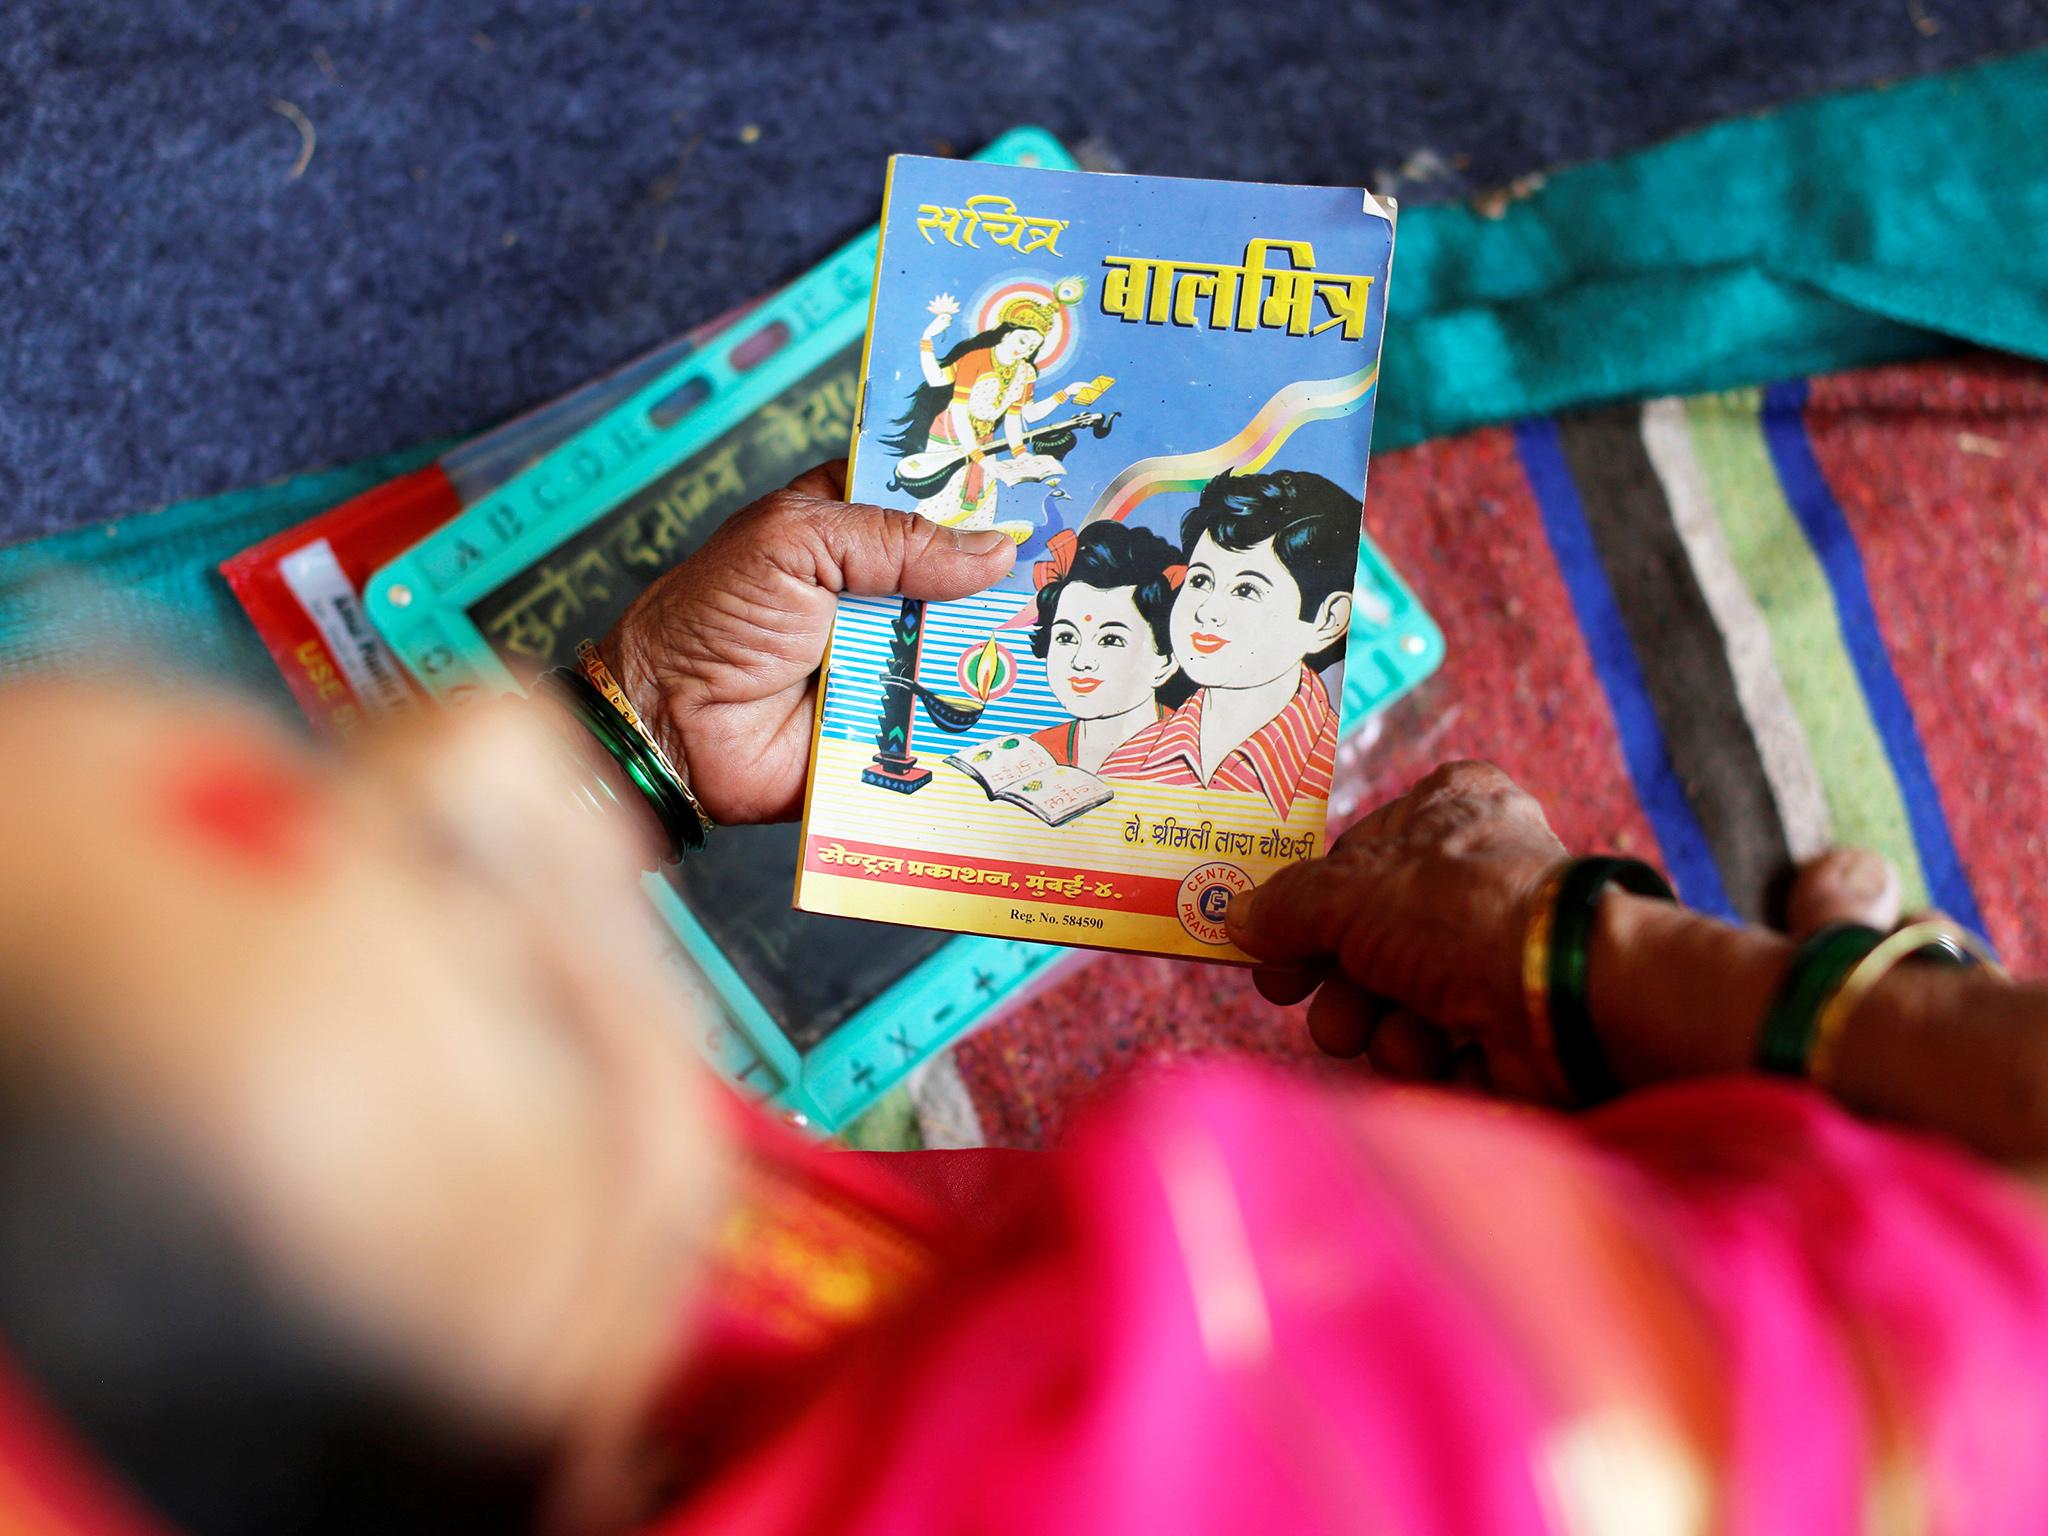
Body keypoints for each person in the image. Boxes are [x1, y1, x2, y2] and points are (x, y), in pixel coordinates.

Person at [4, 466, 2048, 1535]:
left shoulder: (309, 1342)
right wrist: (1627, 965)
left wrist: (629, 750)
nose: (460, 764)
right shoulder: (1302, 1431)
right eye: (477, 945)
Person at [1100, 469, 1355, 818]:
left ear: (1327, 621)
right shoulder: (1126, 764)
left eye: (1247, 590)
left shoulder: (1346, 778)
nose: (1207, 610)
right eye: (1201, 580)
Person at [883, 293, 1098, 534]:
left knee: (981, 511)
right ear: (1007, 333)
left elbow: (1023, 416)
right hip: (951, 436)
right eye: (1023, 340)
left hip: (985, 442)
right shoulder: (977, 359)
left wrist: (1066, 394)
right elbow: (960, 410)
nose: (1025, 349)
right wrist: (979, 457)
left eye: (1032, 346)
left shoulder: (1025, 372)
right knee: (941, 507)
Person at [1023, 521, 1187, 771]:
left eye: (1110, 640)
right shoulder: (1033, 755)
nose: (1081, 661)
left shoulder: (1195, 757)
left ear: (1165, 661)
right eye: (1066, 637)